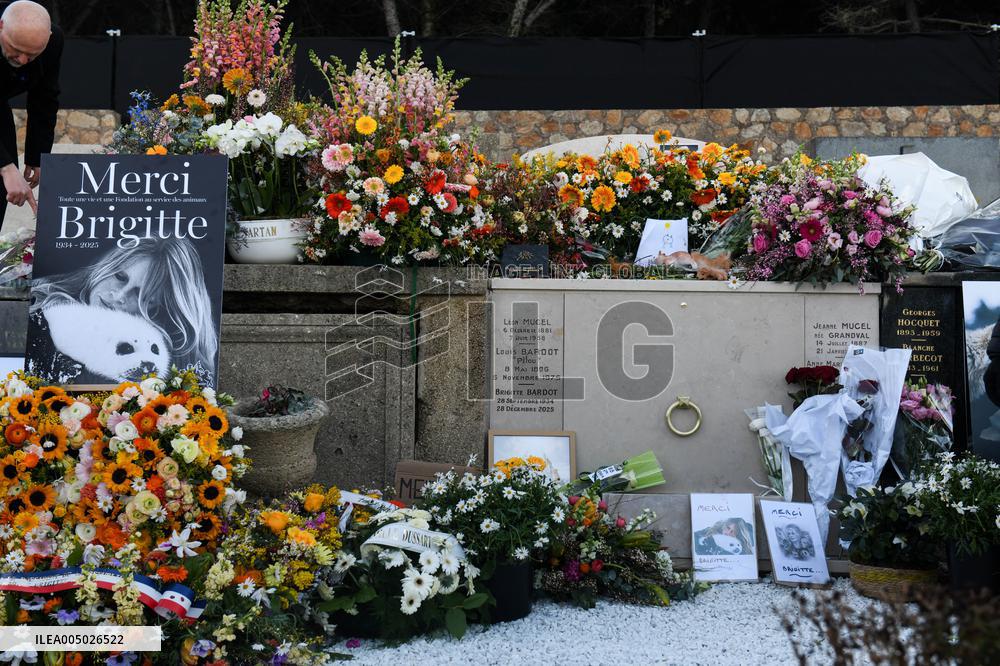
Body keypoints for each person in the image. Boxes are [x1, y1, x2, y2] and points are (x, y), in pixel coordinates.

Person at [27, 237, 218, 386]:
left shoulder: (154, 356)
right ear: (106, 266)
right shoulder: (41, 305)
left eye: (142, 296)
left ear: (157, 311)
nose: (119, 296)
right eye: (120, 277)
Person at [0, 1, 61, 227]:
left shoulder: (53, 42)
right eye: (16, 49)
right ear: (1, 26)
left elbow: (44, 98)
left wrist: (37, 156)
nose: (23, 60)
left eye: (32, 54)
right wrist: (6, 167)